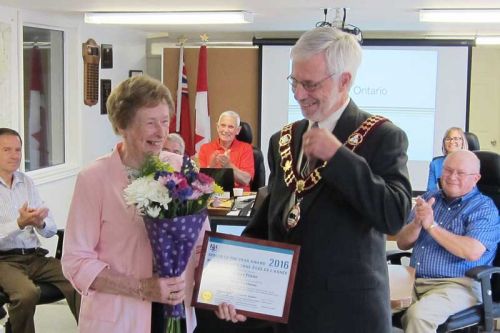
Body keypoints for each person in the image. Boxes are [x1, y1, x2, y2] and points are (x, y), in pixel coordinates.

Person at [216, 27, 412, 332]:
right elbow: (271, 222)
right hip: (288, 313)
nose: (298, 94)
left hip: (349, 315)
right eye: (295, 81)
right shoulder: (282, 139)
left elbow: (394, 216)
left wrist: (340, 158)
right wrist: (237, 288)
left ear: (344, 80)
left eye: (309, 84)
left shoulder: (383, 136)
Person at [61, 75, 210, 333]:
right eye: (151, 123)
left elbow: (201, 245)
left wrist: (221, 292)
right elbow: (76, 261)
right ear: (122, 125)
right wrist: (141, 288)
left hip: (176, 312)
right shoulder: (93, 179)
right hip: (119, 318)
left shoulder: (180, 168)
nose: (161, 132)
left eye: (165, 121)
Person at [397, 149, 500, 332]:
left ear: (475, 178)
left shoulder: (484, 208)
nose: (452, 177)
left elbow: (471, 251)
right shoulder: (430, 198)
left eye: (460, 173)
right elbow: (402, 243)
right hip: (414, 280)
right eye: (447, 170)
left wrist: (431, 225)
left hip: (458, 285)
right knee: (371, 301)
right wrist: (417, 223)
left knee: (418, 317)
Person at [0, 127, 80, 333]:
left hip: (34, 256)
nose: (14, 155)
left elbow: (51, 229)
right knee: (26, 294)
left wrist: (40, 223)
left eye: (18, 150)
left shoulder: (26, 181)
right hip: (4, 261)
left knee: (80, 279)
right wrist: (19, 223)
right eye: (7, 150)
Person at [198, 110, 254, 191]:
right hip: (213, 196)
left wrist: (228, 166)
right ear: (217, 127)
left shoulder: (246, 148)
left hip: (238, 198)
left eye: (230, 127)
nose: (226, 130)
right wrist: (211, 167)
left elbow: (246, 180)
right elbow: (200, 183)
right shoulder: (205, 148)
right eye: (223, 125)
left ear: (238, 130)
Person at [427, 127, 468, 191]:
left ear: (463, 142)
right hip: (441, 199)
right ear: (444, 143)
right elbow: (430, 191)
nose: (451, 141)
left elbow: (471, 191)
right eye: (448, 139)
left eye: (456, 139)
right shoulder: (435, 164)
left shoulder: (470, 163)